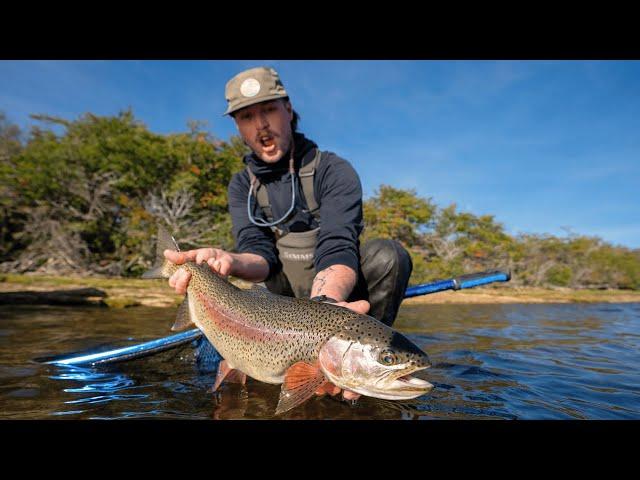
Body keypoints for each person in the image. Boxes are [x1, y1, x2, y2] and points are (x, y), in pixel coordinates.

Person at [164, 66, 413, 400]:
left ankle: (367, 366)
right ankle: (263, 356)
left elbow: (337, 245)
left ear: (289, 110)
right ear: (238, 126)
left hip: (334, 292)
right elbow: (259, 254)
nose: (261, 124)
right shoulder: (242, 185)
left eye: (268, 109)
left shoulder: (333, 170)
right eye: (246, 116)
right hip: (275, 298)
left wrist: (328, 312)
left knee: (389, 256)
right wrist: (228, 259)